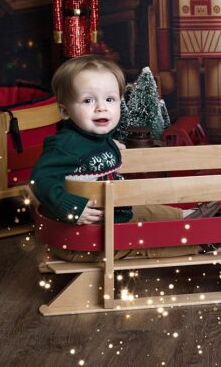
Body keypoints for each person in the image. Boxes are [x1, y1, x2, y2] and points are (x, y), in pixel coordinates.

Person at [30, 55, 198, 262]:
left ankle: (192, 218)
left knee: (149, 210)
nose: (101, 107)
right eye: (88, 100)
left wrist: (111, 146)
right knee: (144, 242)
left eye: (110, 99)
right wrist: (71, 208)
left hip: (112, 217)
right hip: (82, 239)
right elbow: (40, 179)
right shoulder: (65, 146)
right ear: (65, 111)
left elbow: (93, 151)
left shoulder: (100, 139)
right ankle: (196, 243)